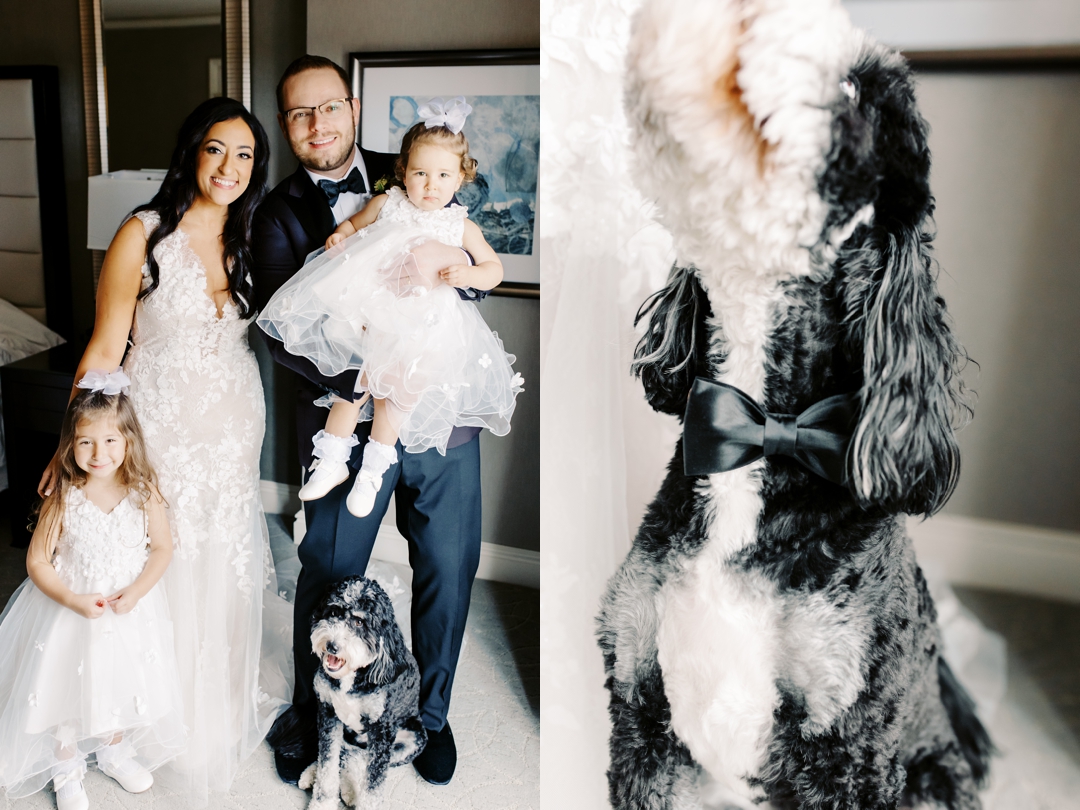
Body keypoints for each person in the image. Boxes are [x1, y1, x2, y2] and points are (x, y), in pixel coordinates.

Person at [38, 97, 292, 802]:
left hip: (236, 427)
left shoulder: (250, 232)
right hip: (162, 431)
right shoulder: (142, 234)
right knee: (157, 556)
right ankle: (140, 717)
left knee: (225, 561)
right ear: (192, 152)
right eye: (217, 149)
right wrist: (74, 449)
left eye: (245, 156)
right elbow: (102, 349)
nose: (230, 167)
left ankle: (214, 703)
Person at [252, 55, 492, 786]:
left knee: (448, 570)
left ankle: (430, 717)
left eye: (327, 107)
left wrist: (445, 268)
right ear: (287, 125)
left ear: (353, 107)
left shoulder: (418, 167)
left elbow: (474, 285)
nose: (316, 124)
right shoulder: (276, 213)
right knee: (327, 569)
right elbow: (280, 331)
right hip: (344, 422)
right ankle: (312, 707)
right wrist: (373, 380)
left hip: (441, 418)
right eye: (298, 113)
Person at [258, 100, 522, 519]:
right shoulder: (389, 202)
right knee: (354, 384)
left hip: (423, 326)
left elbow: (493, 268)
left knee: (396, 395)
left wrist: (466, 274)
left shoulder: (460, 226)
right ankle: (331, 462)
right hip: (374, 312)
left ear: (460, 178)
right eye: (420, 174)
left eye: (442, 176)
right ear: (404, 171)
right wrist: (339, 236)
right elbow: (355, 224)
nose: (430, 185)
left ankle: (372, 471)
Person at [2, 370, 184, 810]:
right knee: (67, 686)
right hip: (70, 611)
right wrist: (70, 599)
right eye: (85, 442)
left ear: (128, 442)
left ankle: (113, 748)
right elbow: (37, 561)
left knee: (119, 680)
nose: (98, 453)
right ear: (70, 444)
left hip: (126, 612)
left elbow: (161, 549)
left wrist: (138, 591)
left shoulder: (145, 492)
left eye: (109, 441)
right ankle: (65, 765)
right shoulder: (64, 494)